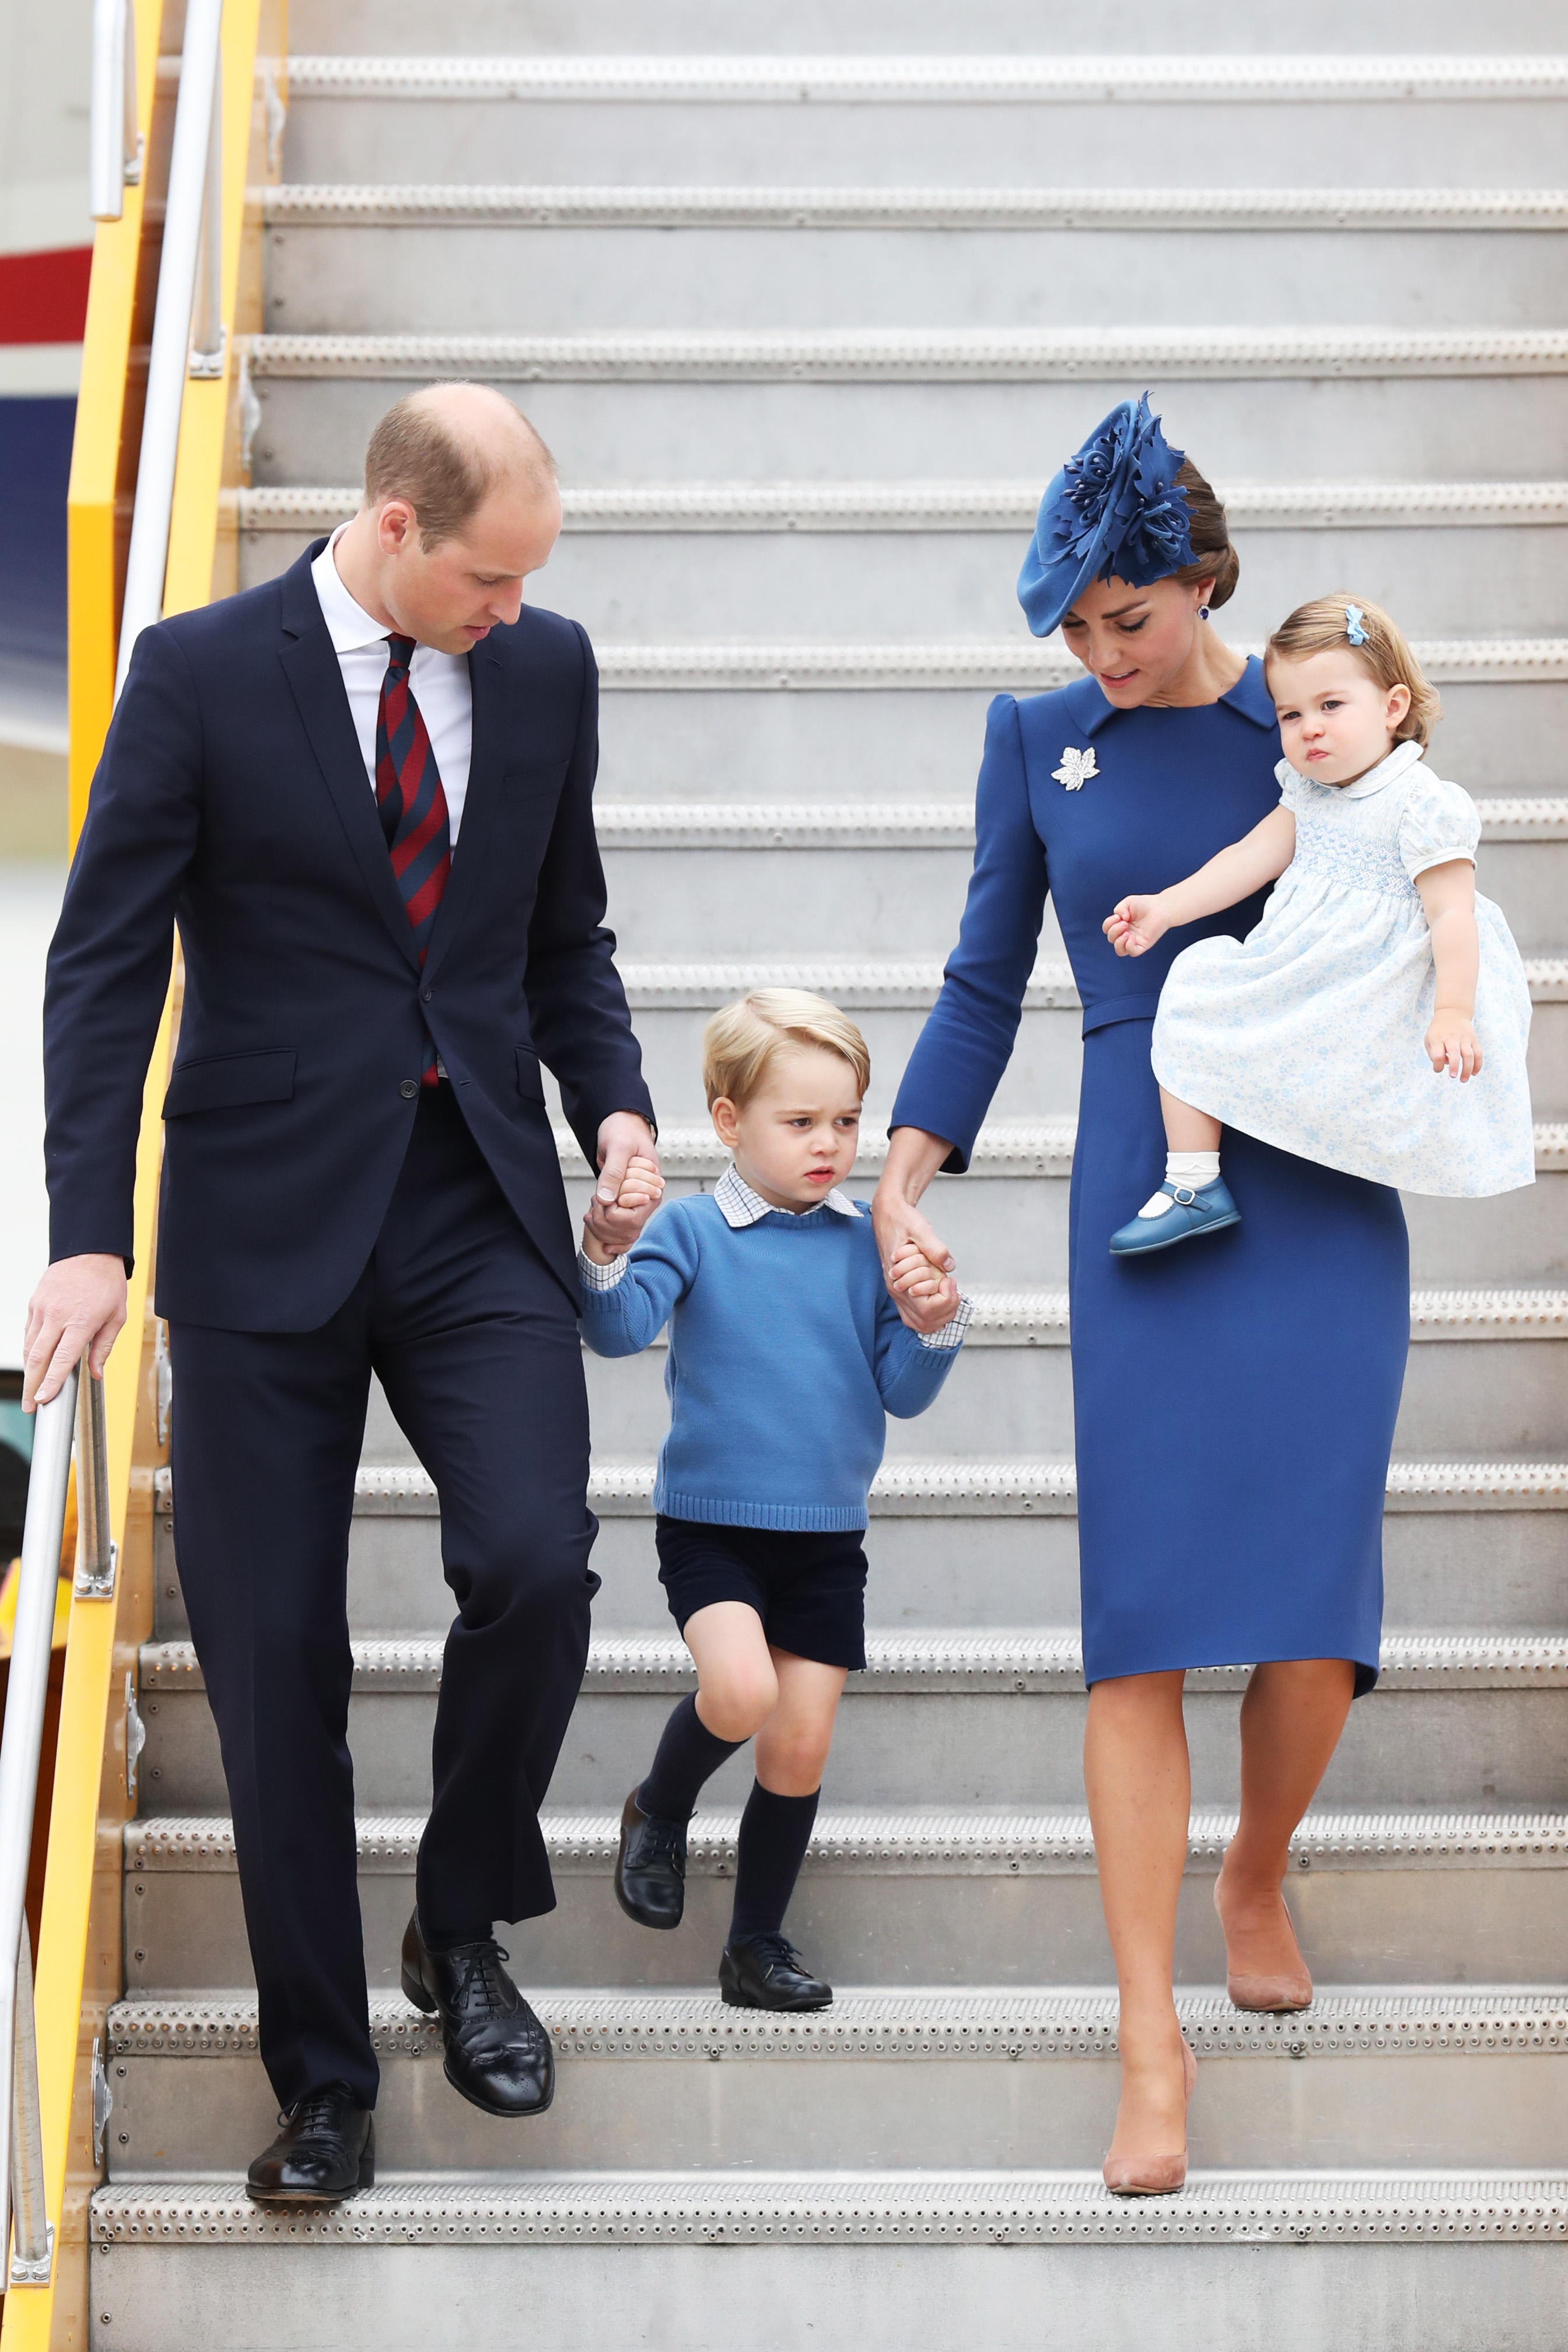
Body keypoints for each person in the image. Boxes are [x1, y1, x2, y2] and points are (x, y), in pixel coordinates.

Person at [25, 383, 662, 2205]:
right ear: (391, 528)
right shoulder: (199, 673)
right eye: (486, 577)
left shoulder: (543, 675)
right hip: (257, 1230)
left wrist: (610, 1102)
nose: (512, 613)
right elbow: (101, 970)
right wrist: (89, 1232)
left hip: (474, 1210)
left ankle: (459, 1929)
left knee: (537, 1566)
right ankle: (320, 2079)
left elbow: (563, 940)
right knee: (271, 1657)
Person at [872, 396, 1412, 2194]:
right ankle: (1146, 2037)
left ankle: (1256, 1861)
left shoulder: (1309, 707)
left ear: (1200, 582)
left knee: (1318, 1607)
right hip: (1141, 1180)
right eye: (1072, 630)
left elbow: (1422, 881)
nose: (1098, 658)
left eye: (1129, 620)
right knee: (1144, 1616)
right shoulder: (1034, 743)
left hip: (1318, 1167)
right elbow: (975, 977)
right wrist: (904, 1168)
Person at [578, 992, 968, 2009]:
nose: (829, 1143)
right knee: (741, 1693)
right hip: (711, 1527)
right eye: (799, 1122)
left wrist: (933, 1319)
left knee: (797, 1742)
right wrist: (605, 1250)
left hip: (826, 1539)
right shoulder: (695, 1229)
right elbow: (616, 1331)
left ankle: (754, 1943)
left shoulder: (864, 1243)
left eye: (846, 1121)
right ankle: (659, 1806)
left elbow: (903, 1391)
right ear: (726, 1121)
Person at [1104, 593, 1533, 1255]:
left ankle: (1328, 1139)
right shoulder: (1309, 793)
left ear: (1392, 708)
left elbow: (1452, 913)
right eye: (1291, 713)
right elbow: (1249, 858)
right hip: (1306, 970)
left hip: (1376, 989)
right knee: (1196, 982)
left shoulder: (1421, 804)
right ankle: (1194, 1183)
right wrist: (1167, 907)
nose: (1310, 728)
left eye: (1332, 706)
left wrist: (1453, 1010)